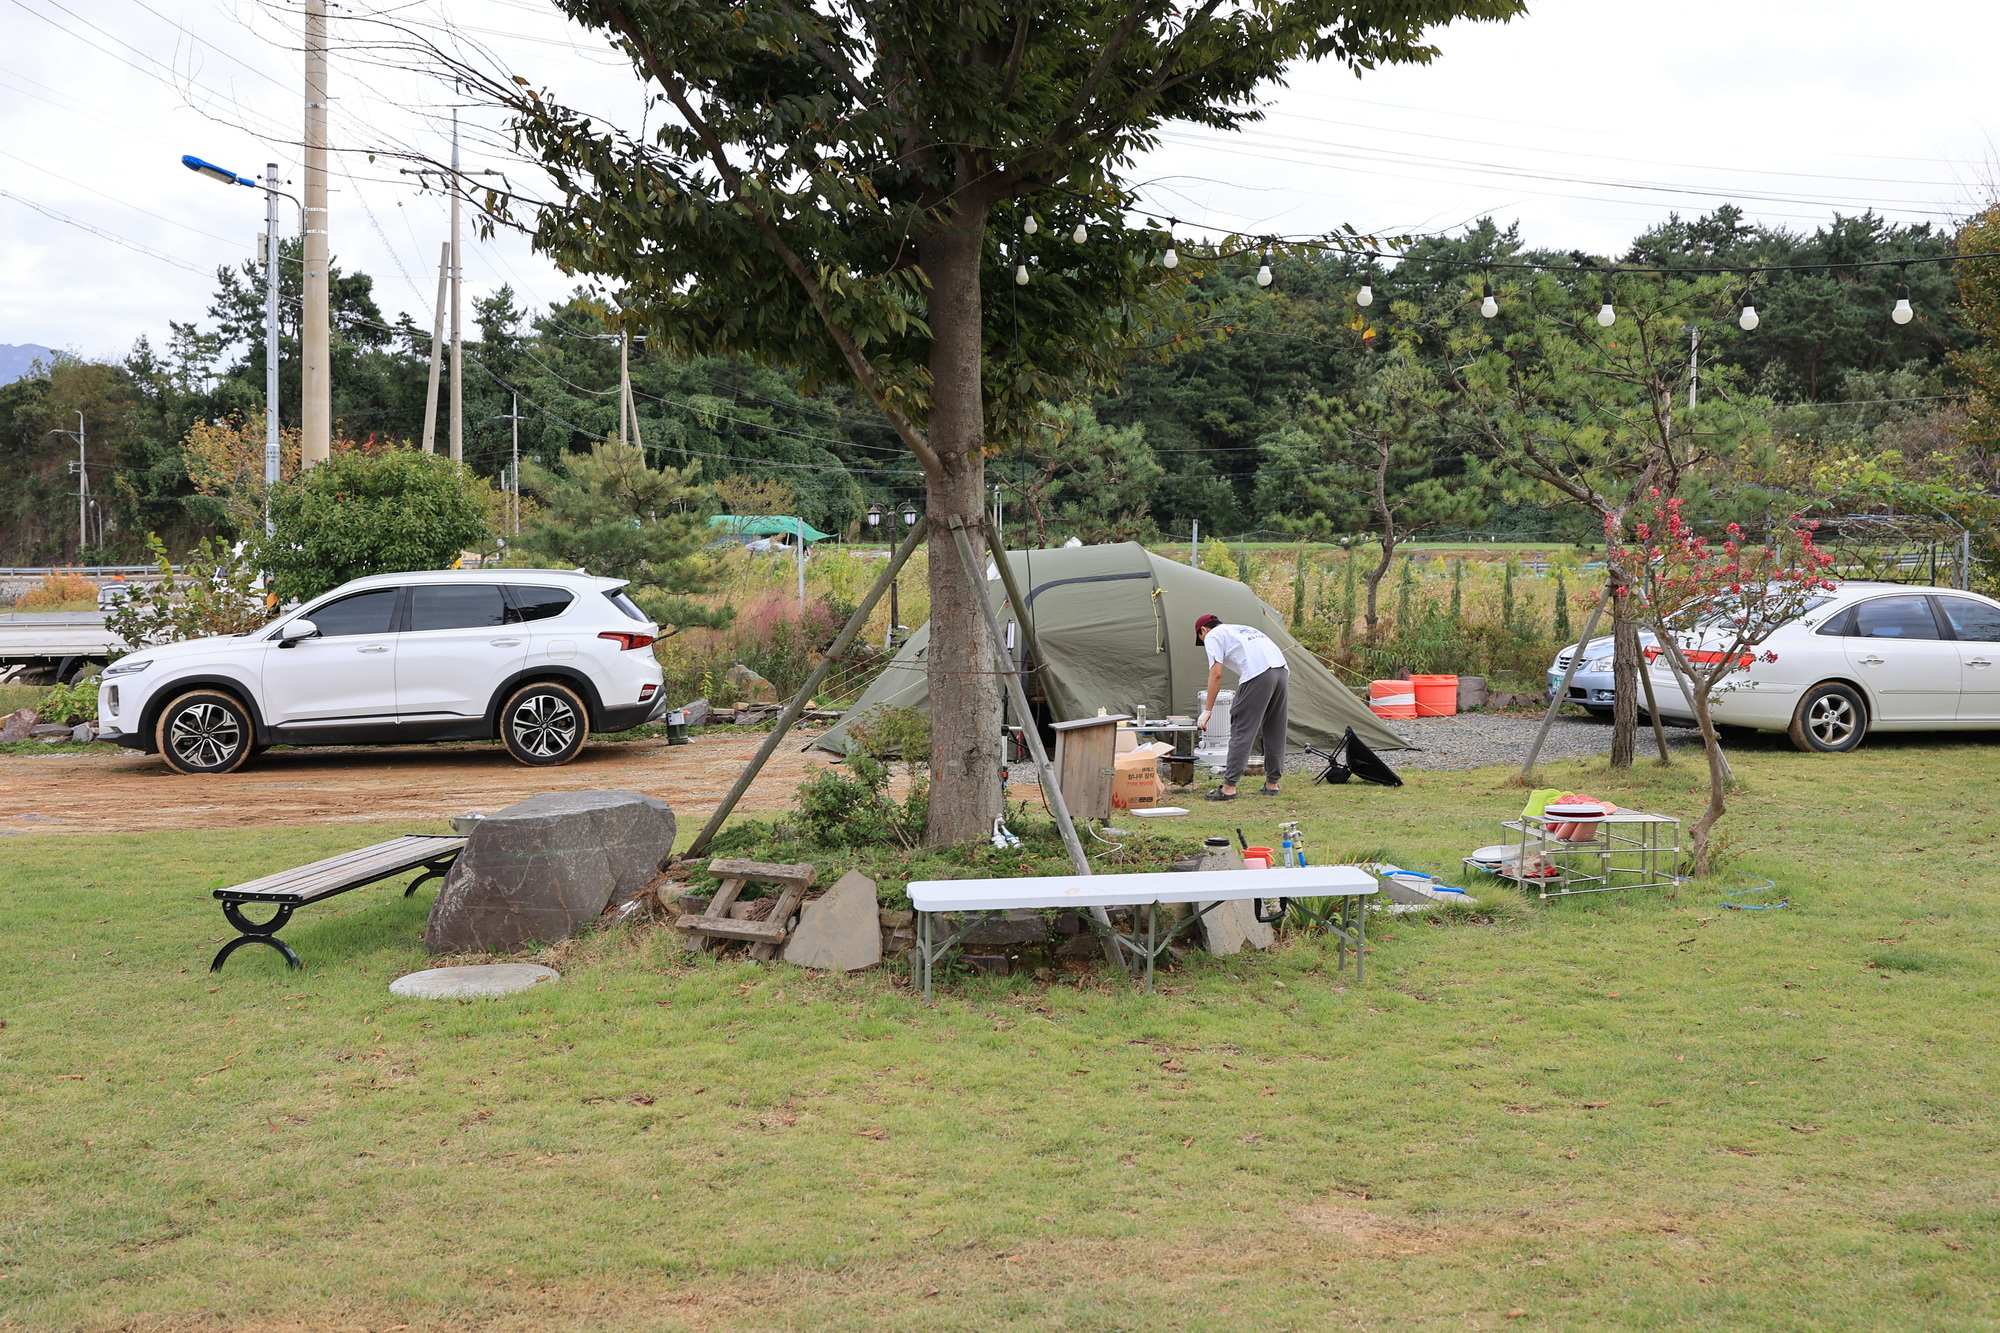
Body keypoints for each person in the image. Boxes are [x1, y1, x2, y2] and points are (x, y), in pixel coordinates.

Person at [1194, 613, 1290, 801]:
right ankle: (1272, 784)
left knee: (1242, 729)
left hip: (1258, 675)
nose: (1205, 643)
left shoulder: (1213, 635)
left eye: (1201, 639)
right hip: (1281, 672)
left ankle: (1229, 788)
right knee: (1275, 728)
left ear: (1203, 630)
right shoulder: (1241, 628)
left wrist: (1207, 710)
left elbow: (1216, 673)